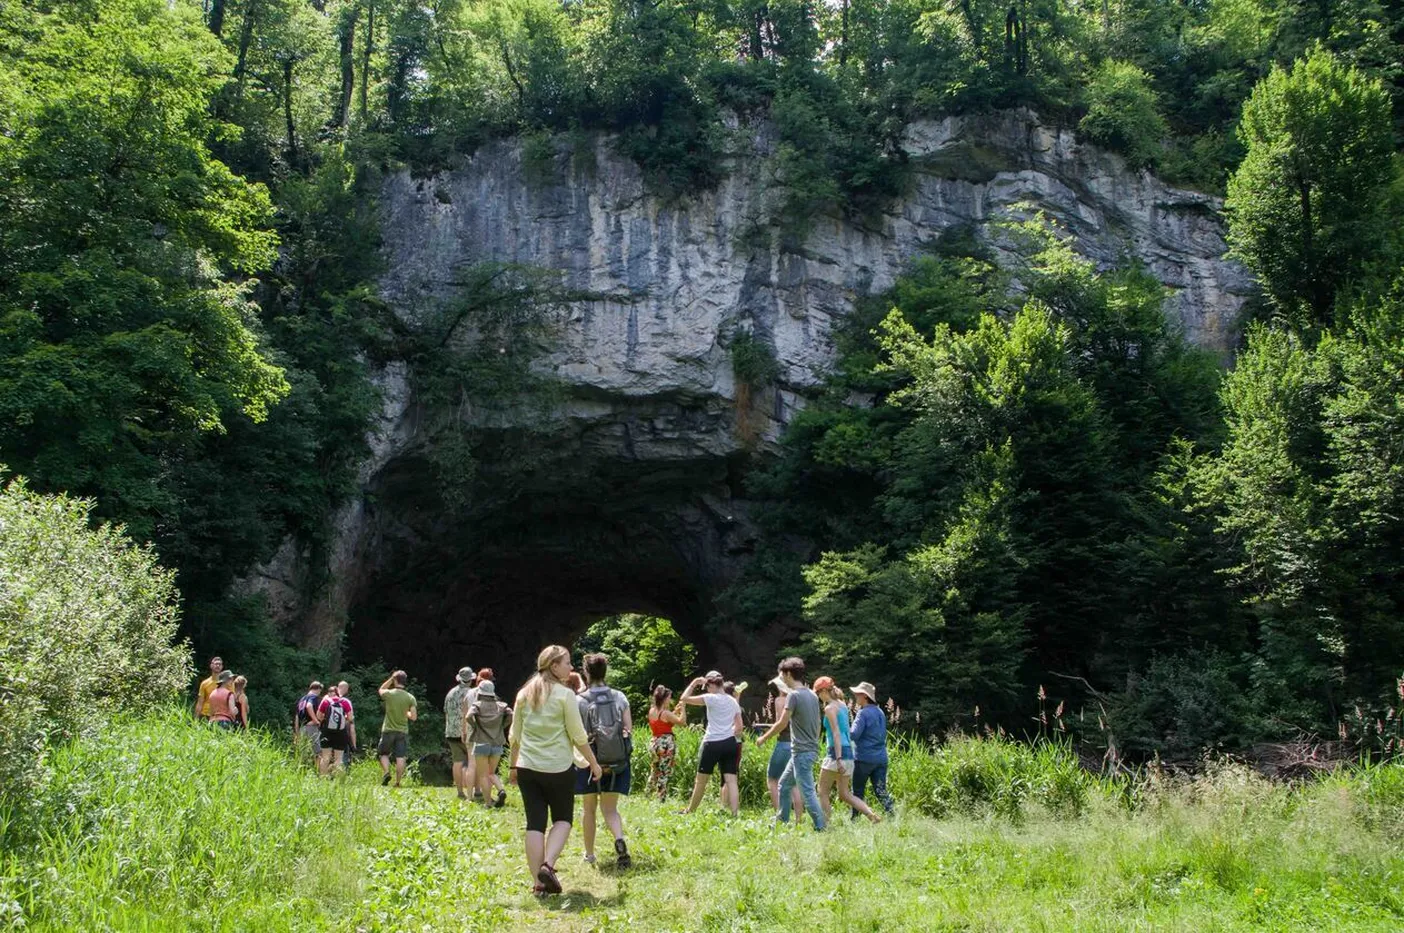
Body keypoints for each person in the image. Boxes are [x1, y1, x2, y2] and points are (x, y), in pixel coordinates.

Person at [507, 645, 602, 896]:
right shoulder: (565, 695)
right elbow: (578, 735)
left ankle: (539, 885)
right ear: (554, 666)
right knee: (563, 819)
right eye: (567, 663)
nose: (571, 667)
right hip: (558, 768)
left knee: (534, 824)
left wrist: (513, 766)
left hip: (527, 767)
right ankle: (547, 866)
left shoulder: (524, 694)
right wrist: (593, 763)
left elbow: (514, 736)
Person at [575, 653, 633, 868]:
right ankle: (619, 839)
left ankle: (589, 855)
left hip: (589, 761)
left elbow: (576, 734)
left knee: (589, 809)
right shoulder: (619, 697)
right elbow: (628, 730)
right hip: (617, 761)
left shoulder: (579, 700)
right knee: (610, 809)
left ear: (586, 672)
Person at [757, 657, 826, 831]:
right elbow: (818, 723)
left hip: (802, 752)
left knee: (807, 791)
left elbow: (782, 723)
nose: (782, 679)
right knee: (784, 784)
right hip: (805, 750)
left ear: (788, 674)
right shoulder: (812, 694)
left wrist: (764, 738)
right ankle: (782, 821)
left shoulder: (793, 696)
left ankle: (821, 827)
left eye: (782, 675)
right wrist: (814, 743)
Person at [814, 676, 880, 824]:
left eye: (818, 692)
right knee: (844, 794)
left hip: (836, 752)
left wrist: (838, 759)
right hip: (849, 752)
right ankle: (871, 815)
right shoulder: (842, 705)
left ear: (824, 691)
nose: (818, 696)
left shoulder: (830, 708)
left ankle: (825, 825)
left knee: (822, 791)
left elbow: (836, 734)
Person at [678, 670, 742, 817]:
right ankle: (735, 814)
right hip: (730, 743)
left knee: (701, 781)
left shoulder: (710, 698)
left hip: (712, 742)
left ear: (712, 685)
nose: (706, 689)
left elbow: (684, 698)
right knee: (731, 781)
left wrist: (694, 682)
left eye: (707, 686)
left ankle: (690, 811)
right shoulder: (733, 701)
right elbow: (739, 727)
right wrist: (727, 733)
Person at [849, 681, 896, 818]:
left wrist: (843, 728)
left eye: (857, 694)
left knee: (857, 792)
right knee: (881, 790)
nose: (855, 697)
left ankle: (854, 820)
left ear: (865, 696)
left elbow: (854, 734)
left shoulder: (862, 713)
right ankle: (892, 816)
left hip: (864, 758)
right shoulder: (880, 712)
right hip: (881, 758)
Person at [466, 679, 512, 808]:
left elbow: (468, 716)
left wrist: (476, 726)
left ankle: (488, 803)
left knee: (483, 775)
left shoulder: (477, 705)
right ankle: (501, 790)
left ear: (480, 692)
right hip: (497, 743)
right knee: (492, 773)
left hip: (481, 743)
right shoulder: (500, 705)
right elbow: (511, 714)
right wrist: (502, 726)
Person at [763, 675, 803, 818]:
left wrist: (766, 735)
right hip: (797, 743)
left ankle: (778, 815)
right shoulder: (797, 698)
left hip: (783, 743)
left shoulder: (780, 700)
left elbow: (781, 723)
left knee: (772, 779)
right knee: (794, 783)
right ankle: (799, 819)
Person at [377, 670, 418, 787]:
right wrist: (406, 713)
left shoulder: (389, 694)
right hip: (402, 731)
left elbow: (381, 689)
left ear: (395, 680)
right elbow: (414, 717)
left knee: (383, 754)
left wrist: (391, 679)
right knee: (400, 757)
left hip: (388, 729)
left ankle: (386, 772)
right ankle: (398, 782)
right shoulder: (410, 697)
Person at [646, 685, 686, 801]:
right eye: (669, 697)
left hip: (654, 742)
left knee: (654, 769)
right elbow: (682, 722)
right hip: (665, 744)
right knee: (664, 771)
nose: (670, 700)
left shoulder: (652, 710)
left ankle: (648, 794)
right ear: (664, 699)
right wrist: (683, 709)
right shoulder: (666, 713)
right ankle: (661, 798)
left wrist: (675, 712)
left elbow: (665, 722)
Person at [444, 667, 476, 800]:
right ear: (471, 679)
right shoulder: (472, 693)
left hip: (451, 732)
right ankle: (474, 791)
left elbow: (446, 712)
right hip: (468, 732)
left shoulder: (450, 693)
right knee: (472, 762)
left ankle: (460, 792)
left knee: (457, 761)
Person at [316, 681, 356, 775]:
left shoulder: (326, 701)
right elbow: (350, 718)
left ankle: (323, 779)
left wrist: (327, 719)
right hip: (341, 732)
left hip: (327, 731)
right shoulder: (345, 702)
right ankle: (337, 779)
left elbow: (319, 716)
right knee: (339, 759)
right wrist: (343, 718)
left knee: (325, 757)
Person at [294, 680, 325, 753]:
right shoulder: (313, 697)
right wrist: (316, 721)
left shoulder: (302, 700)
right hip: (311, 727)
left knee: (303, 752)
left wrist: (297, 732)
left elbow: (297, 717)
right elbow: (309, 706)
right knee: (318, 752)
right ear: (318, 689)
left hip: (302, 728)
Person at [194, 656, 224, 721]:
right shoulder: (205, 683)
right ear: (211, 666)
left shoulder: (226, 683)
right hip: (205, 715)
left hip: (220, 715)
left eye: (220, 664)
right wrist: (196, 719)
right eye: (216, 664)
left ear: (222, 667)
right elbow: (200, 702)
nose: (218, 666)